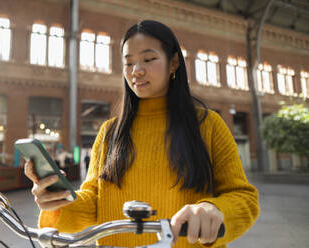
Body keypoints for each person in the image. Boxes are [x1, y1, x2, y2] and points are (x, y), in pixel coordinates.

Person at [25, 20, 259, 247]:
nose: (136, 71)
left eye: (148, 59)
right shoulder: (110, 133)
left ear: (174, 62)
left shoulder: (208, 125)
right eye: (128, 63)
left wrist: (214, 209)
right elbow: (93, 203)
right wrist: (57, 201)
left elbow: (243, 197)